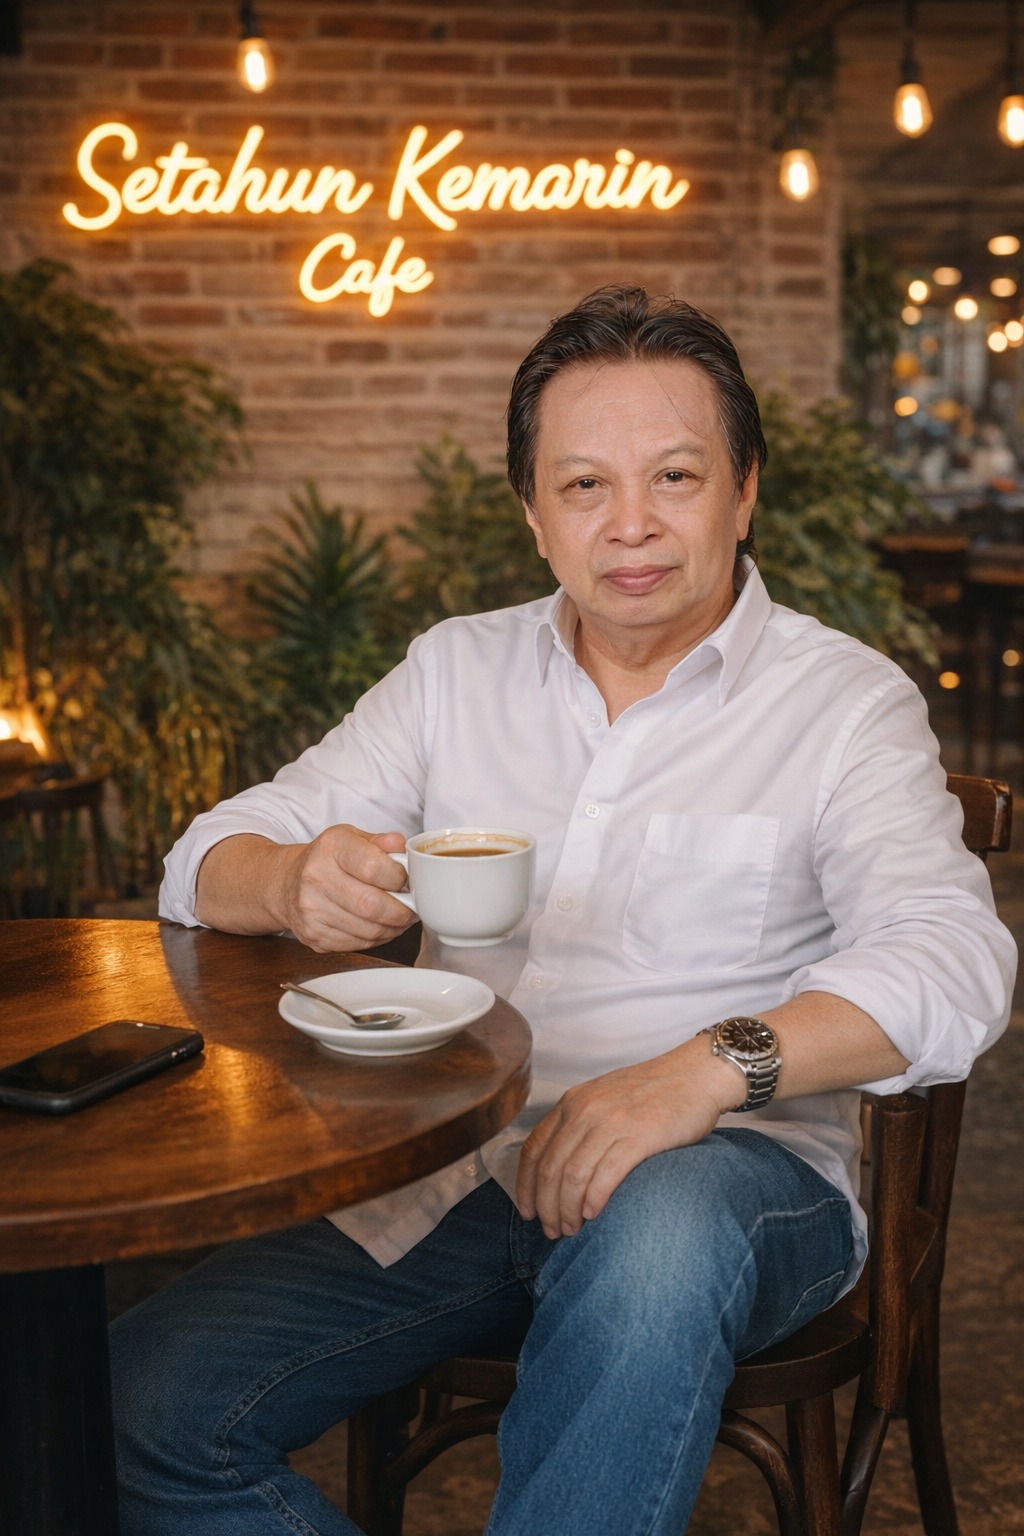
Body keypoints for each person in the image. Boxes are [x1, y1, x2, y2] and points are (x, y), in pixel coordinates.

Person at [110, 285, 1015, 1536]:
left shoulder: (844, 706)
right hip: (455, 1170)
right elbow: (204, 857)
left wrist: (703, 1070)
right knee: (133, 1405)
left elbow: (953, 960)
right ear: (535, 516)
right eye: (584, 485)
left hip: (731, 1182)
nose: (630, 524)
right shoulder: (454, 671)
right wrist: (287, 877)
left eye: (675, 477)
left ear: (744, 491)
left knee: (656, 1240)